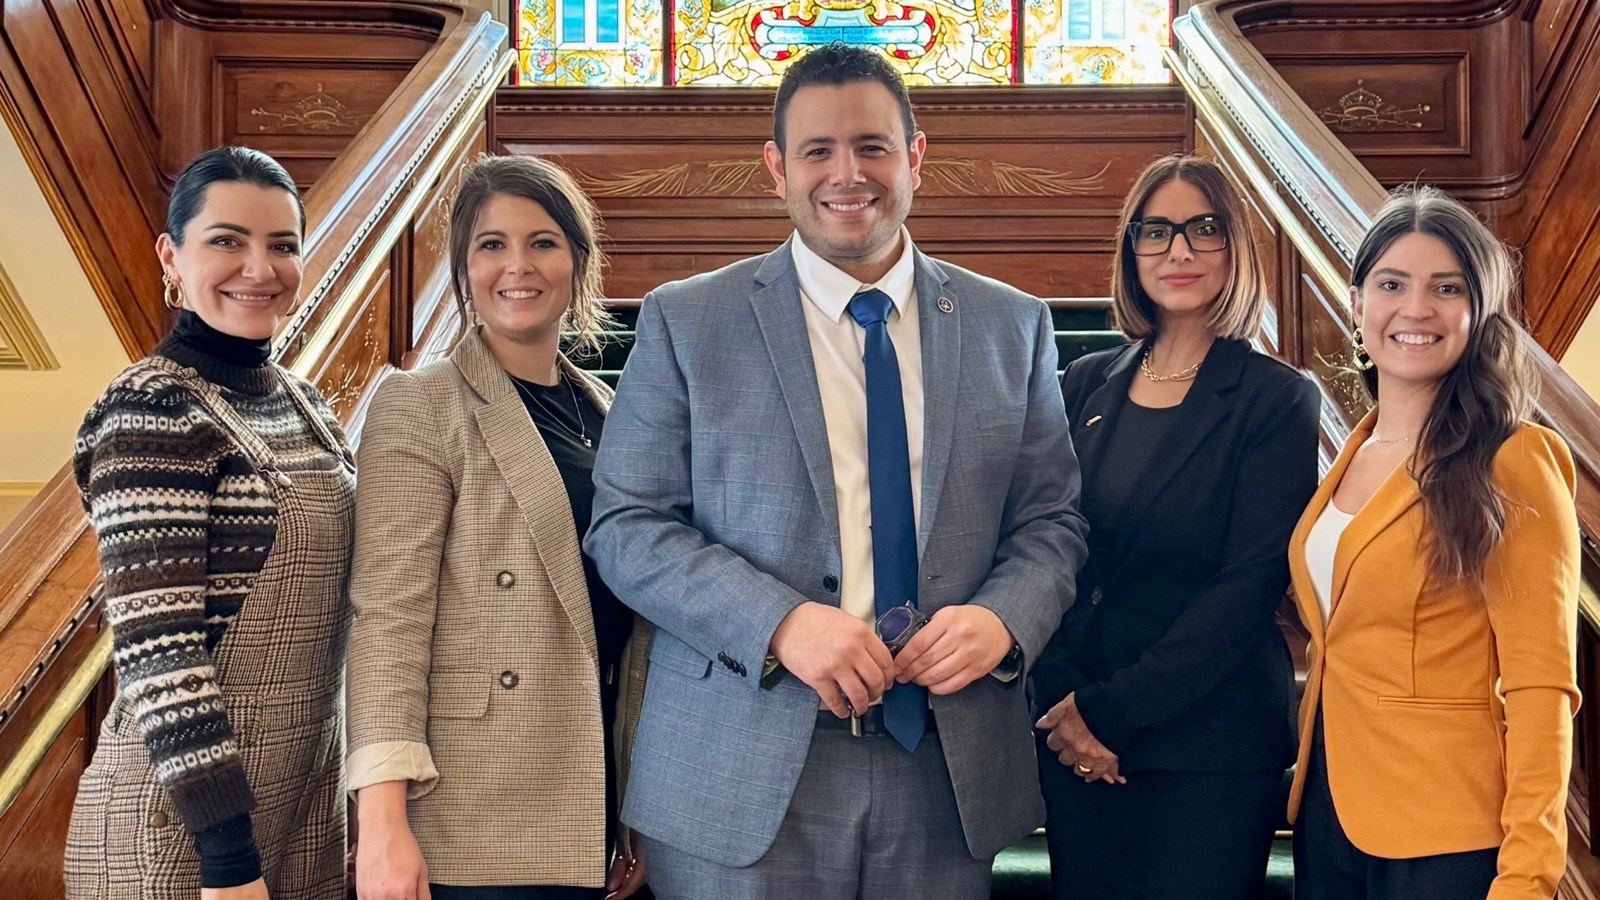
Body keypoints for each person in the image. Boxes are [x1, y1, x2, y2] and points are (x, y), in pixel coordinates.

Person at [583, 43, 1087, 900]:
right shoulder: (686, 320)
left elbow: (1053, 522)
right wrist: (780, 623)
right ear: (777, 167)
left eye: (873, 147)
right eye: (818, 149)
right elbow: (627, 528)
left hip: (942, 767)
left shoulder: (1015, 326)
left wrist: (1003, 620)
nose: (846, 173)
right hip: (738, 765)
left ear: (916, 157)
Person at [345, 154, 650, 900]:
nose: (519, 266)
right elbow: (387, 616)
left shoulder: (607, 416)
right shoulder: (421, 403)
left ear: (578, 262)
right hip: (469, 804)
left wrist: (631, 804)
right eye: (491, 245)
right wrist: (381, 822)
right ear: (462, 266)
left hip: (587, 790)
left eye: (543, 242)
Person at [63, 146, 351, 900]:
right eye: (227, 240)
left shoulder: (306, 405)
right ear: (171, 254)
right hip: (183, 835)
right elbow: (160, 653)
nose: (259, 267)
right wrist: (229, 862)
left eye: (282, 244)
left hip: (303, 809)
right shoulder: (152, 409)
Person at [1031, 154, 1321, 899]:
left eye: (1204, 229)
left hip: (1209, 750)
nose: (1179, 251)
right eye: (1155, 232)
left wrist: (1110, 714)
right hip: (1073, 735)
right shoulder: (1086, 381)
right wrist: (1064, 701)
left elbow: (1248, 584)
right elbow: (1041, 542)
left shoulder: (1276, 399)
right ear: (1131, 251)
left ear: (1236, 248)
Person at [1286, 186, 1580, 900]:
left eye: (1446, 288)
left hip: (1448, 837)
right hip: (1328, 816)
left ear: (1478, 314)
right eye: (1392, 284)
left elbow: (1543, 689)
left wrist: (1529, 873)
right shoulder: (1346, 457)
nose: (1416, 309)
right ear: (1357, 307)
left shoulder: (1513, 460)